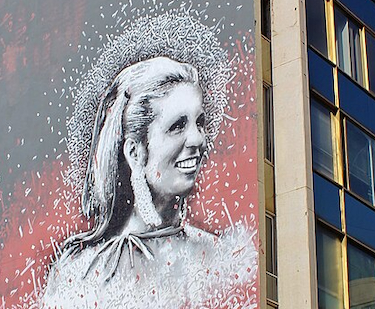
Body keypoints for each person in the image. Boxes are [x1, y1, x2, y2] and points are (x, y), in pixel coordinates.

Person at [39, 56, 257, 309]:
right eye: (177, 126)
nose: (197, 139)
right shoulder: (80, 273)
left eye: (199, 123)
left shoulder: (221, 258)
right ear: (135, 153)